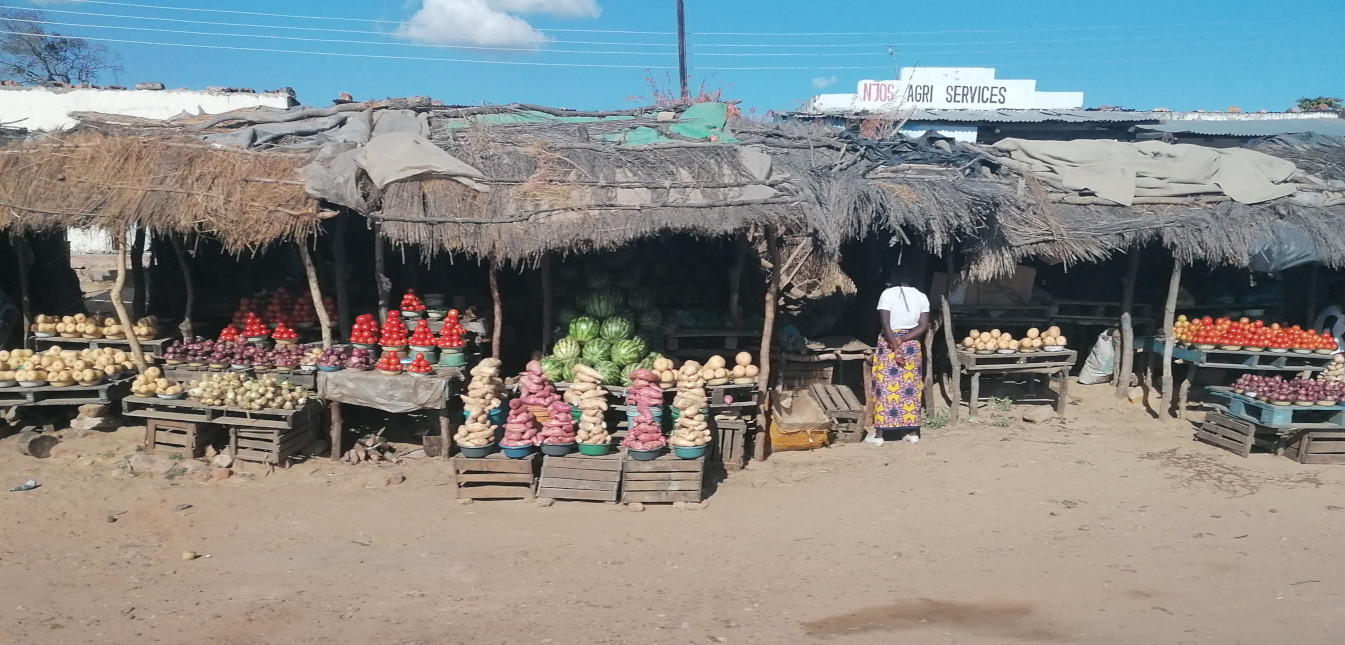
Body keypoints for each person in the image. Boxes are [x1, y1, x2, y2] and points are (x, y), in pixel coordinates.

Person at [867, 270, 931, 446]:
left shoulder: (887, 294)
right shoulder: (922, 297)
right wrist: (904, 340)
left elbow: (886, 324)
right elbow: (924, 325)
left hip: (889, 343)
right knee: (911, 387)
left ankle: (879, 435)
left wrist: (895, 346)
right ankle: (912, 433)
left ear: (894, 277)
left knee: (884, 387)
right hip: (911, 345)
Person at [1314, 284, 1345, 354]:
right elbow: (1326, 329)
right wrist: (1332, 345)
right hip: (1334, 352)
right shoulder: (1333, 311)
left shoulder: (1331, 310)